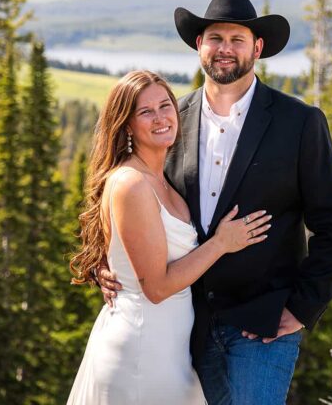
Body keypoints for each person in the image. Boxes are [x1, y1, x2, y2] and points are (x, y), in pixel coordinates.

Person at [98, 0, 332, 404]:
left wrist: (303, 307)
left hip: (262, 324)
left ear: (257, 48)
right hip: (184, 324)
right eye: (216, 38)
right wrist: (106, 266)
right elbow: (127, 194)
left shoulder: (299, 123)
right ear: (199, 45)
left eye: (237, 40)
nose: (225, 49)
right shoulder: (170, 120)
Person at [67, 70, 272, 405]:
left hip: (171, 349)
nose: (161, 117)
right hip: (141, 349)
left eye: (166, 105)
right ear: (126, 124)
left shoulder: (163, 176)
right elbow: (157, 287)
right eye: (146, 112)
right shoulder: (131, 184)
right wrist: (221, 243)